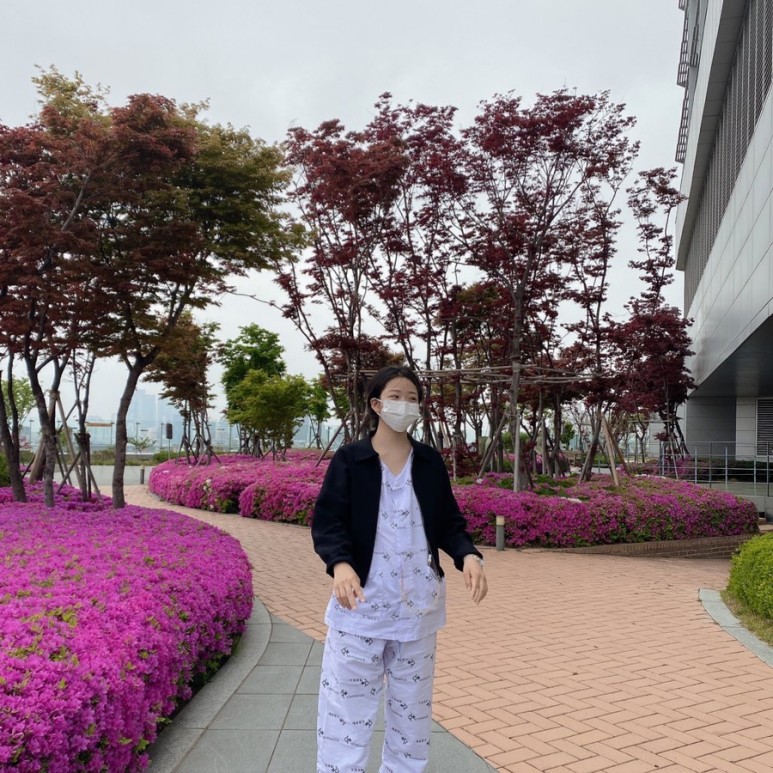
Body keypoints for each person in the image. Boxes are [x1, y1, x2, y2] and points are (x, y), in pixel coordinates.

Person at [312, 365, 488, 773]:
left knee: (412, 715)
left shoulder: (428, 462)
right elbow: (328, 520)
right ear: (376, 404)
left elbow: (448, 521)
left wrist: (468, 555)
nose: (405, 404)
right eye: (396, 396)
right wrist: (340, 564)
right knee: (346, 713)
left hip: (417, 612)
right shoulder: (351, 460)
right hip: (361, 608)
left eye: (412, 398)